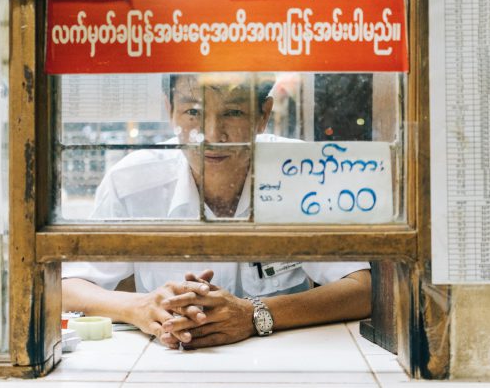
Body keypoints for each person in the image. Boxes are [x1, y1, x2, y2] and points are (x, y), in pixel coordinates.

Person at [62, 73, 371, 349]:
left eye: (233, 112)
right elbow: (67, 288)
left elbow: (362, 288)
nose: (212, 134)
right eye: (193, 112)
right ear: (170, 111)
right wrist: (141, 307)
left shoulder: (300, 173)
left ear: (262, 115)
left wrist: (254, 314)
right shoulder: (130, 181)